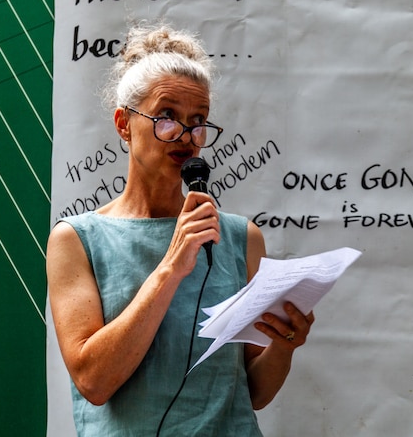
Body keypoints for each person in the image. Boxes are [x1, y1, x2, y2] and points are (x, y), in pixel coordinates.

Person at [46, 23, 314, 436]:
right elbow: (93, 382)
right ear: (123, 124)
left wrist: (284, 344)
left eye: (199, 120)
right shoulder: (76, 240)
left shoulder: (242, 239)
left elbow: (253, 393)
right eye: (166, 116)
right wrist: (171, 268)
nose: (187, 136)